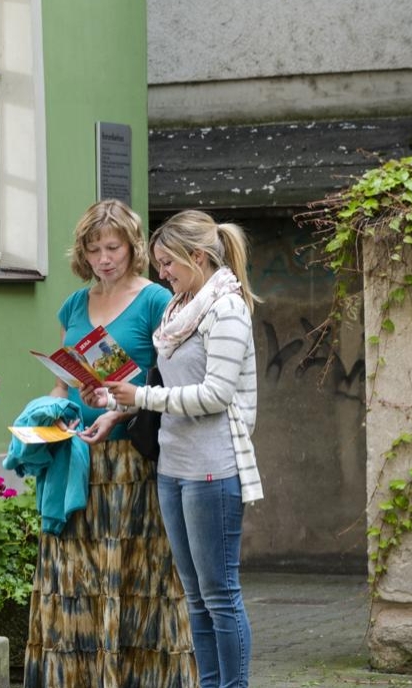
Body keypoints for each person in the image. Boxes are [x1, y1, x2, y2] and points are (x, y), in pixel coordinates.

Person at [24, 201, 197, 686]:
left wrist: (119, 407)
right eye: (94, 249)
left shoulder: (155, 301)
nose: (104, 259)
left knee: (135, 576)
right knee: (75, 578)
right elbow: (62, 382)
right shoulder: (73, 305)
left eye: (113, 248)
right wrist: (49, 411)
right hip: (79, 457)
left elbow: (170, 379)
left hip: (132, 460)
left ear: (133, 247)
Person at [92, 210, 261, 688]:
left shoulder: (226, 309)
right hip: (173, 467)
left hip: (213, 469)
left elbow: (215, 395)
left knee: (220, 596)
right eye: (160, 263)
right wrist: (116, 404)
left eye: (168, 263)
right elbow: (167, 386)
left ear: (199, 257)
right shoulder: (178, 310)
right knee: (196, 599)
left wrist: (142, 397)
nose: (162, 273)